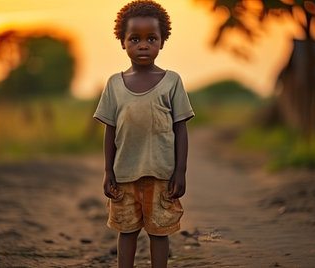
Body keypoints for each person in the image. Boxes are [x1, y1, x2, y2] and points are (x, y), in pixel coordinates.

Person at [93, 1, 194, 267]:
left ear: (163, 41)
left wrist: (180, 171)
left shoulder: (172, 81)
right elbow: (110, 131)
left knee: (159, 233)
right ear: (122, 41)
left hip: (161, 175)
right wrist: (108, 171)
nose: (143, 45)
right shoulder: (114, 85)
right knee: (126, 231)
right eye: (134, 38)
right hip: (124, 176)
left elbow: (180, 129)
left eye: (152, 38)